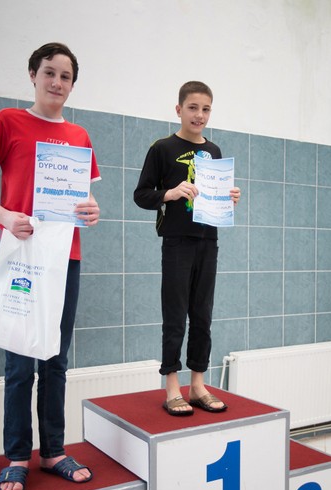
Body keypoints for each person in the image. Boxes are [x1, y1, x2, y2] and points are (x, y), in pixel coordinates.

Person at [0, 43, 101, 490]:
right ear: (33, 75)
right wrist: (3, 215)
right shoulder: (8, 121)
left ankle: (54, 451)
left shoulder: (79, 135)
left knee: (56, 360)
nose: (57, 82)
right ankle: (17, 456)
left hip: (66, 259)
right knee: (20, 363)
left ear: (73, 84)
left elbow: (83, 197)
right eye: (49, 72)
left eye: (66, 76)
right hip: (23, 257)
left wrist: (92, 209)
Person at [134, 81, 241, 416]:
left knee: (202, 316)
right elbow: (141, 195)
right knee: (175, 315)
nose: (199, 115)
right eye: (193, 108)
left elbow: (216, 196)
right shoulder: (162, 148)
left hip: (208, 241)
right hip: (177, 242)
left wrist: (229, 198)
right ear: (179, 109)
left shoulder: (215, 151)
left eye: (206, 109)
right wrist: (170, 193)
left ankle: (197, 385)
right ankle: (172, 387)